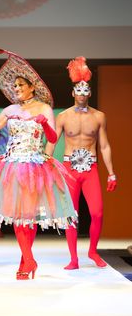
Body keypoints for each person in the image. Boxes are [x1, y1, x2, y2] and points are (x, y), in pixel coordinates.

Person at [0, 44, 77, 280]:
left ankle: (25, 261)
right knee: (18, 217)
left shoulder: (44, 108)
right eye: (15, 85)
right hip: (11, 166)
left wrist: (44, 122)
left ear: (32, 87)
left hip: (35, 166)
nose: (16, 88)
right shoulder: (9, 109)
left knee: (28, 217)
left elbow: (52, 138)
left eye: (21, 85)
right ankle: (29, 260)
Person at [55, 56, 117, 270]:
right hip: (69, 169)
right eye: (78, 90)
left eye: (85, 90)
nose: (81, 93)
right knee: (71, 215)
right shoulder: (62, 117)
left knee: (97, 212)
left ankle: (92, 250)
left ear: (89, 92)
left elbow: (105, 146)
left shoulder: (99, 116)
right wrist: (47, 165)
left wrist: (111, 173)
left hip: (90, 168)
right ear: (73, 93)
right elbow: (52, 142)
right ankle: (73, 258)